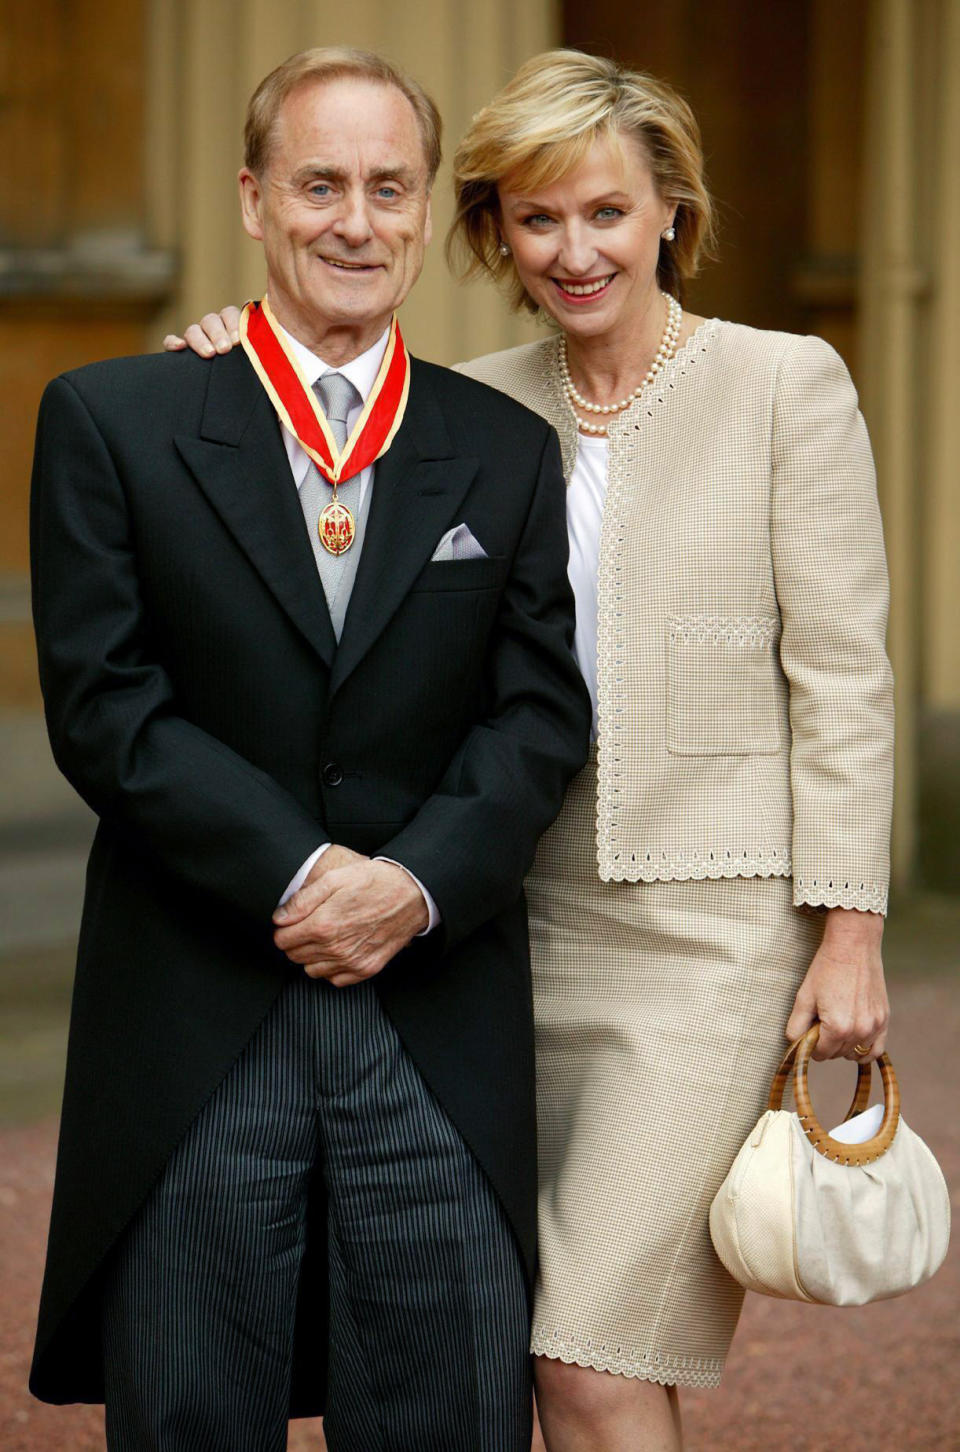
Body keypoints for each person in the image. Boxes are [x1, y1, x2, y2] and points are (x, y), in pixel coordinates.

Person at [172, 49, 894, 1452]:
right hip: (502, 933)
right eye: (538, 218)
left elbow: (847, 675)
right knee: (531, 1335)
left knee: (588, 1352)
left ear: (670, 211)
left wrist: (851, 931)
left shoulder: (782, 384)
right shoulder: (468, 400)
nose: (576, 252)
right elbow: (304, 467)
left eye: (608, 214)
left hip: (715, 936)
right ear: (496, 232)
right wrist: (221, 365)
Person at [29, 46, 591, 1452]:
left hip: (433, 1018)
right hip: (201, 1014)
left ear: (421, 211)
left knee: (448, 1411)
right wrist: (296, 873)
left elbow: (539, 716)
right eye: (320, 184)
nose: (356, 220)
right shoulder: (116, 422)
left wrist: (408, 886)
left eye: (388, 187)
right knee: (192, 1409)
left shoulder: (505, 450)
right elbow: (105, 703)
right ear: (255, 200)